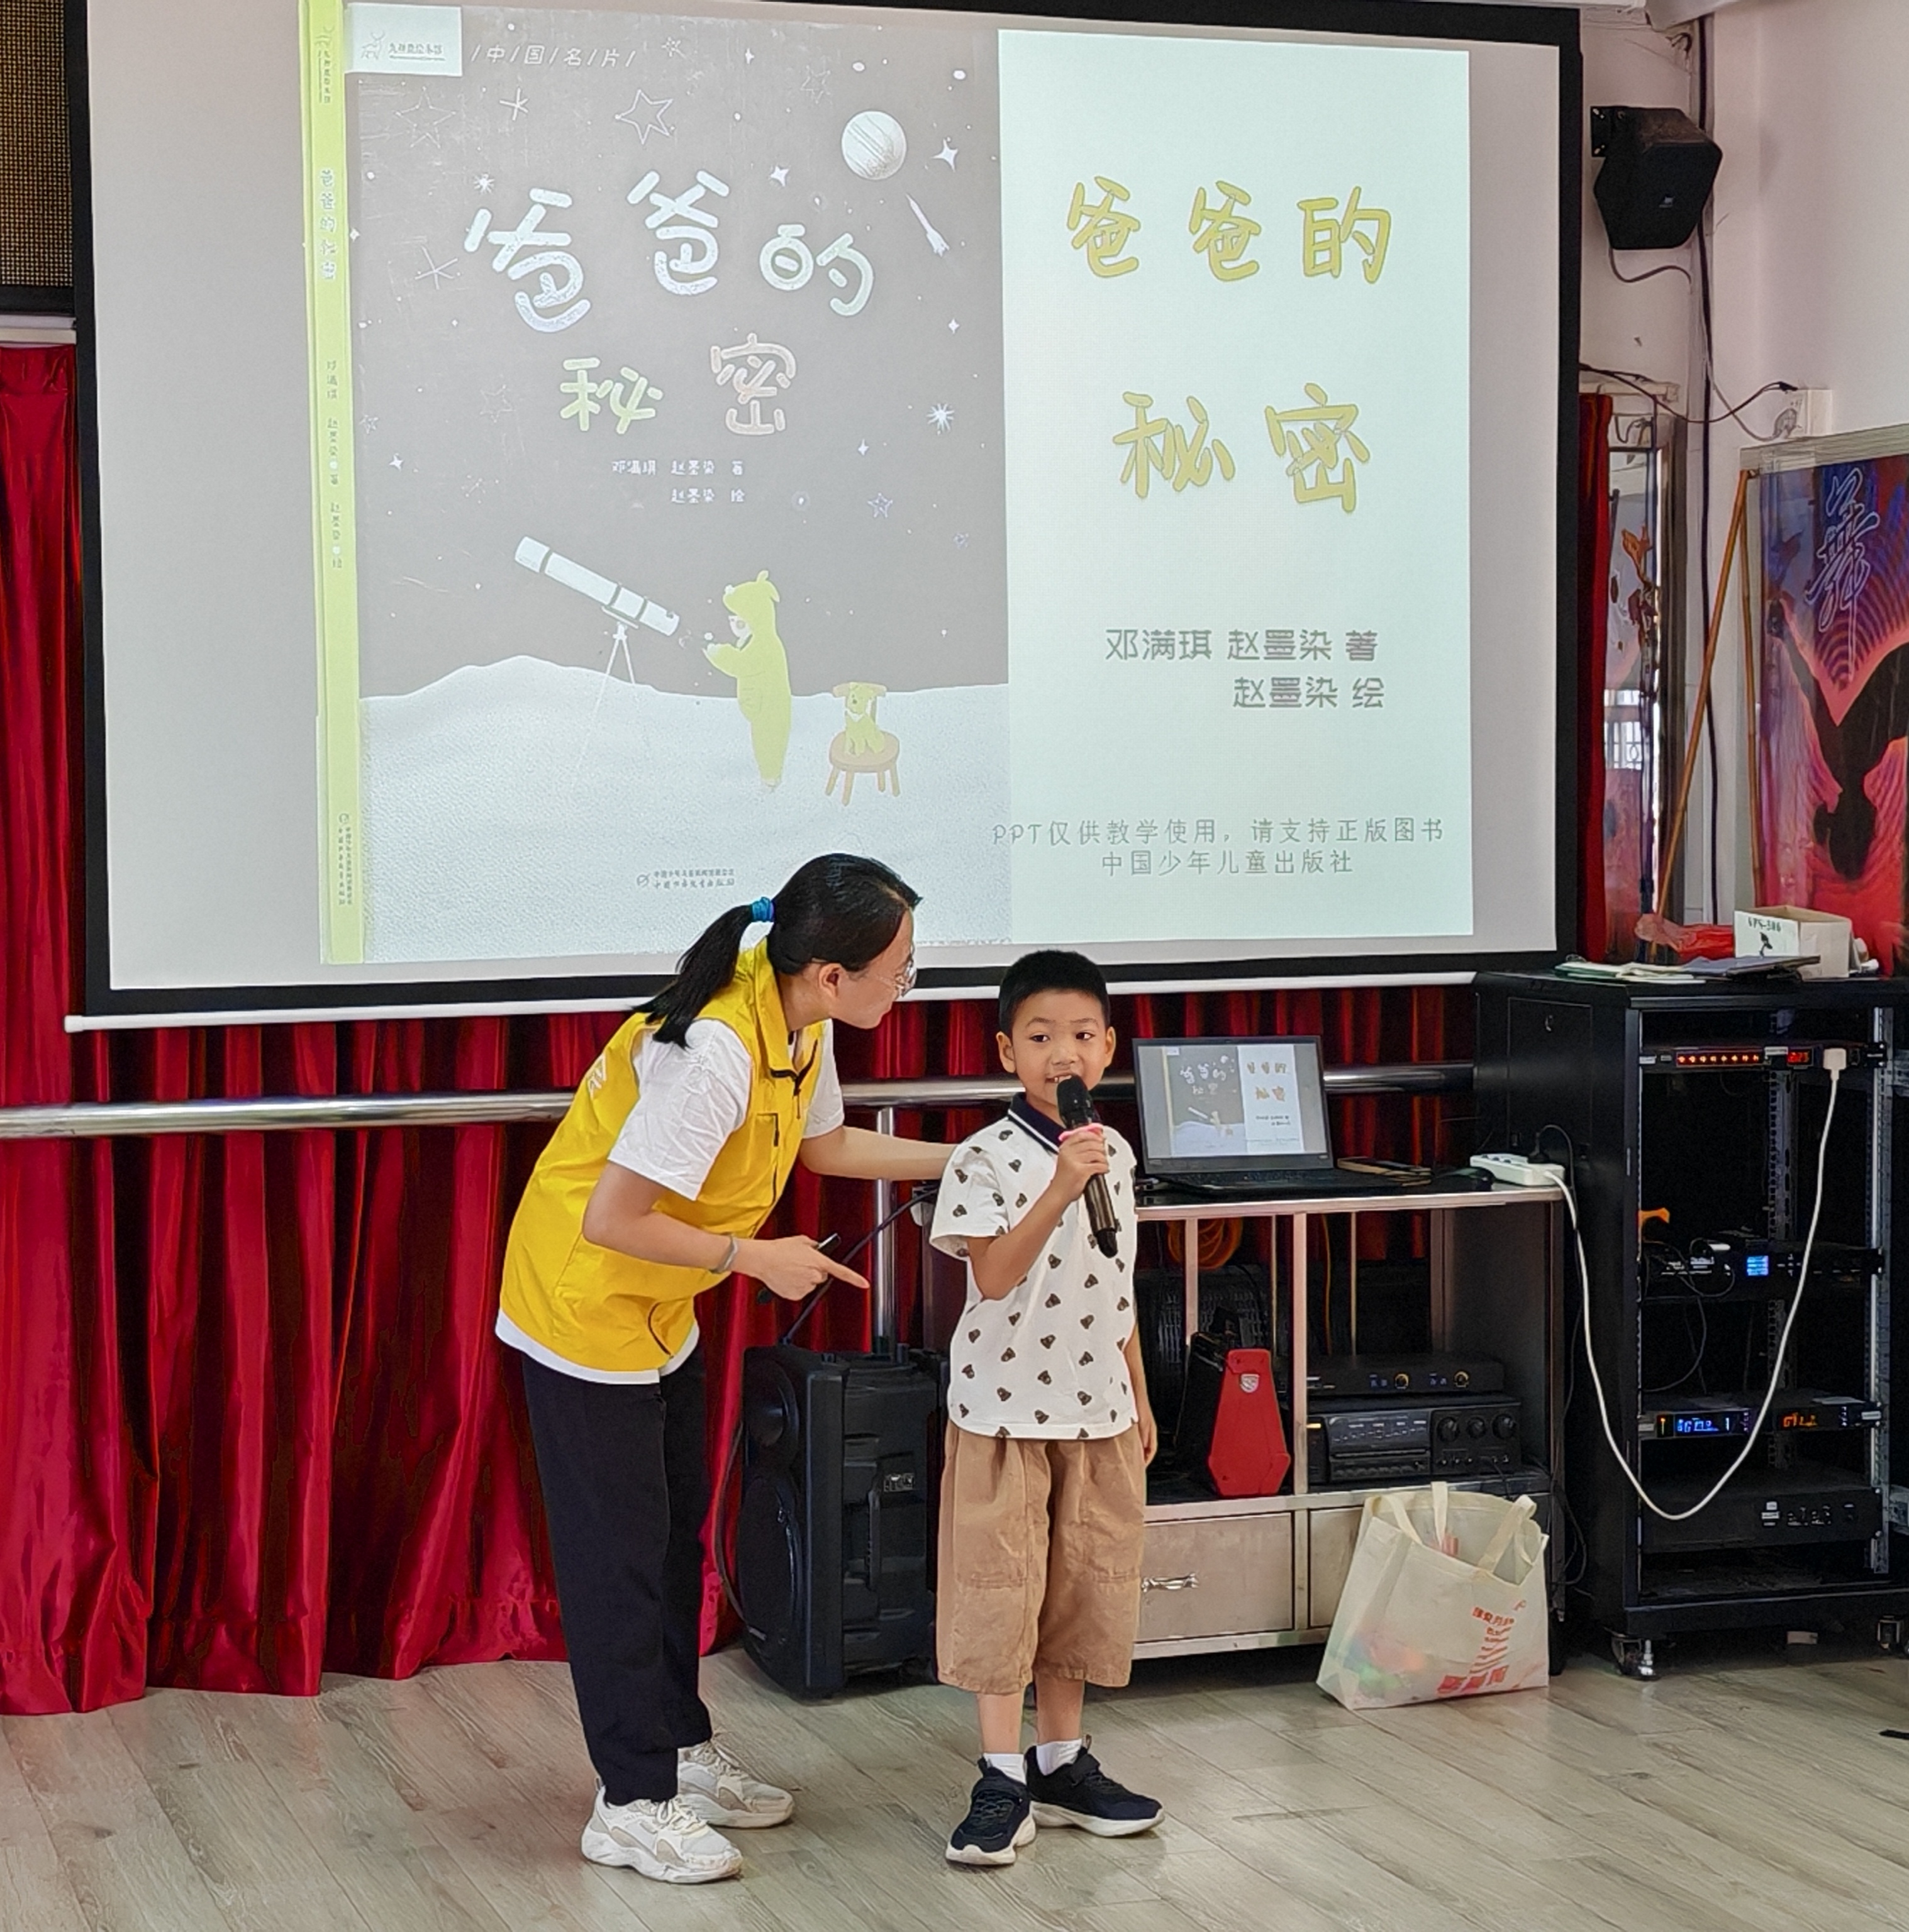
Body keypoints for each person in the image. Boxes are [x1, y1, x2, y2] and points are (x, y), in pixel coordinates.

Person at [497, 854, 952, 1885]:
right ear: (831, 973)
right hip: (583, 1307)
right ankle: (631, 1802)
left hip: (662, 1308)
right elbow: (612, 1217)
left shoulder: (797, 1021)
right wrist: (757, 1257)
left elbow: (829, 1150)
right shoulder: (716, 1050)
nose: (906, 985)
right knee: (616, 1563)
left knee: (669, 1542)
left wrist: (968, 1156)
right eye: (901, 969)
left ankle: (677, 1746)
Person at [928, 950, 1163, 1867]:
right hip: (1004, 1411)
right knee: (1000, 1592)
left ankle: (1061, 1762)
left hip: (1097, 1407)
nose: (1062, 1053)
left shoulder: (1117, 1153)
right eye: (1039, 1036)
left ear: (1108, 1047)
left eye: (1080, 1035)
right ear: (1006, 1052)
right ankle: (1000, 1776)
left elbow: (1118, 1284)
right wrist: (1062, 1186)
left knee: (1083, 1587)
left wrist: (1138, 1393)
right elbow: (992, 1274)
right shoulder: (981, 1157)